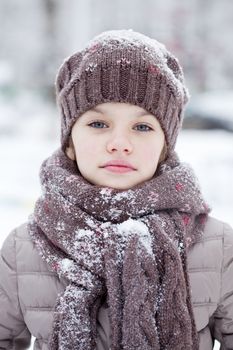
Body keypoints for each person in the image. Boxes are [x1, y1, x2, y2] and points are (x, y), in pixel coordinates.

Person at [0, 29, 232, 350]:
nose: (120, 144)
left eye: (142, 127)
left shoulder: (218, 246)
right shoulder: (22, 249)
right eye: (98, 124)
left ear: (165, 146)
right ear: (70, 142)